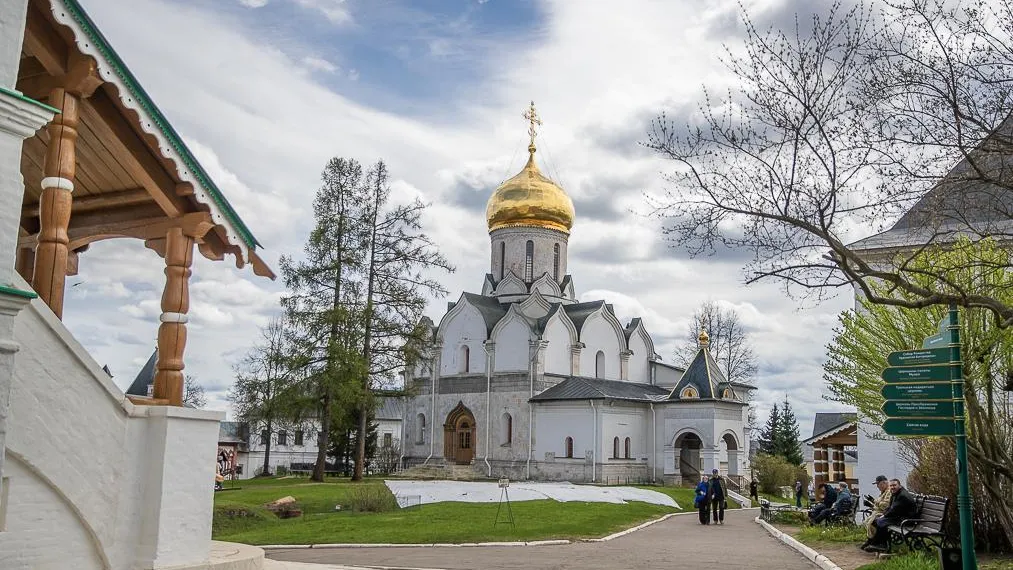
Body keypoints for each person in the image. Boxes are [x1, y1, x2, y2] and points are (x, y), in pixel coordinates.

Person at [863, 479, 918, 552]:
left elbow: (894, 509)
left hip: (907, 519)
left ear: (899, 485)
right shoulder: (895, 493)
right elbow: (890, 507)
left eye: (894, 485)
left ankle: (881, 545)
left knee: (880, 522)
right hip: (900, 516)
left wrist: (884, 515)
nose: (892, 487)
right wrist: (884, 514)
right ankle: (877, 543)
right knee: (877, 521)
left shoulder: (902, 495)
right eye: (891, 486)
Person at [860, 476, 892, 547]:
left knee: (871, 523)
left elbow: (885, 505)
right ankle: (871, 539)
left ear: (884, 483)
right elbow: (878, 506)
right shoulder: (883, 492)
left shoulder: (889, 492)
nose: (877, 486)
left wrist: (874, 501)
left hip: (884, 513)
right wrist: (871, 505)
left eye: (878, 484)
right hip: (878, 512)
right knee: (866, 522)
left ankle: (874, 541)